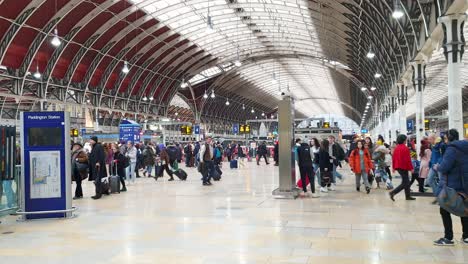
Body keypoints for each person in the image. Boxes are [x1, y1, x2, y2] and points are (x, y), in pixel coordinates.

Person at [432, 129, 468, 246]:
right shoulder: (465, 147)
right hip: (464, 183)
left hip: (453, 185)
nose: (444, 140)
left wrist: (437, 167)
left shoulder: (451, 149)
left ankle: (448, 237)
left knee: (444, 209)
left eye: (445, 138)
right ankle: (466, 236)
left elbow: (445, 167)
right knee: (464, 210)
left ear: (449, 138)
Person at [389, 134, 416, 201]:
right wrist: (411, 168)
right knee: (405, 182)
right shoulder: (405, 148)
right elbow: (408, 160)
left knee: (405, 181)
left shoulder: (396, 148)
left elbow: (393, 158)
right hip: (403, 167)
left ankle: (408, 196)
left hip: (398, 167)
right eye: (406, 139)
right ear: (404, 140)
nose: (406, 141)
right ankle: (393, 192)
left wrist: (393, 167)